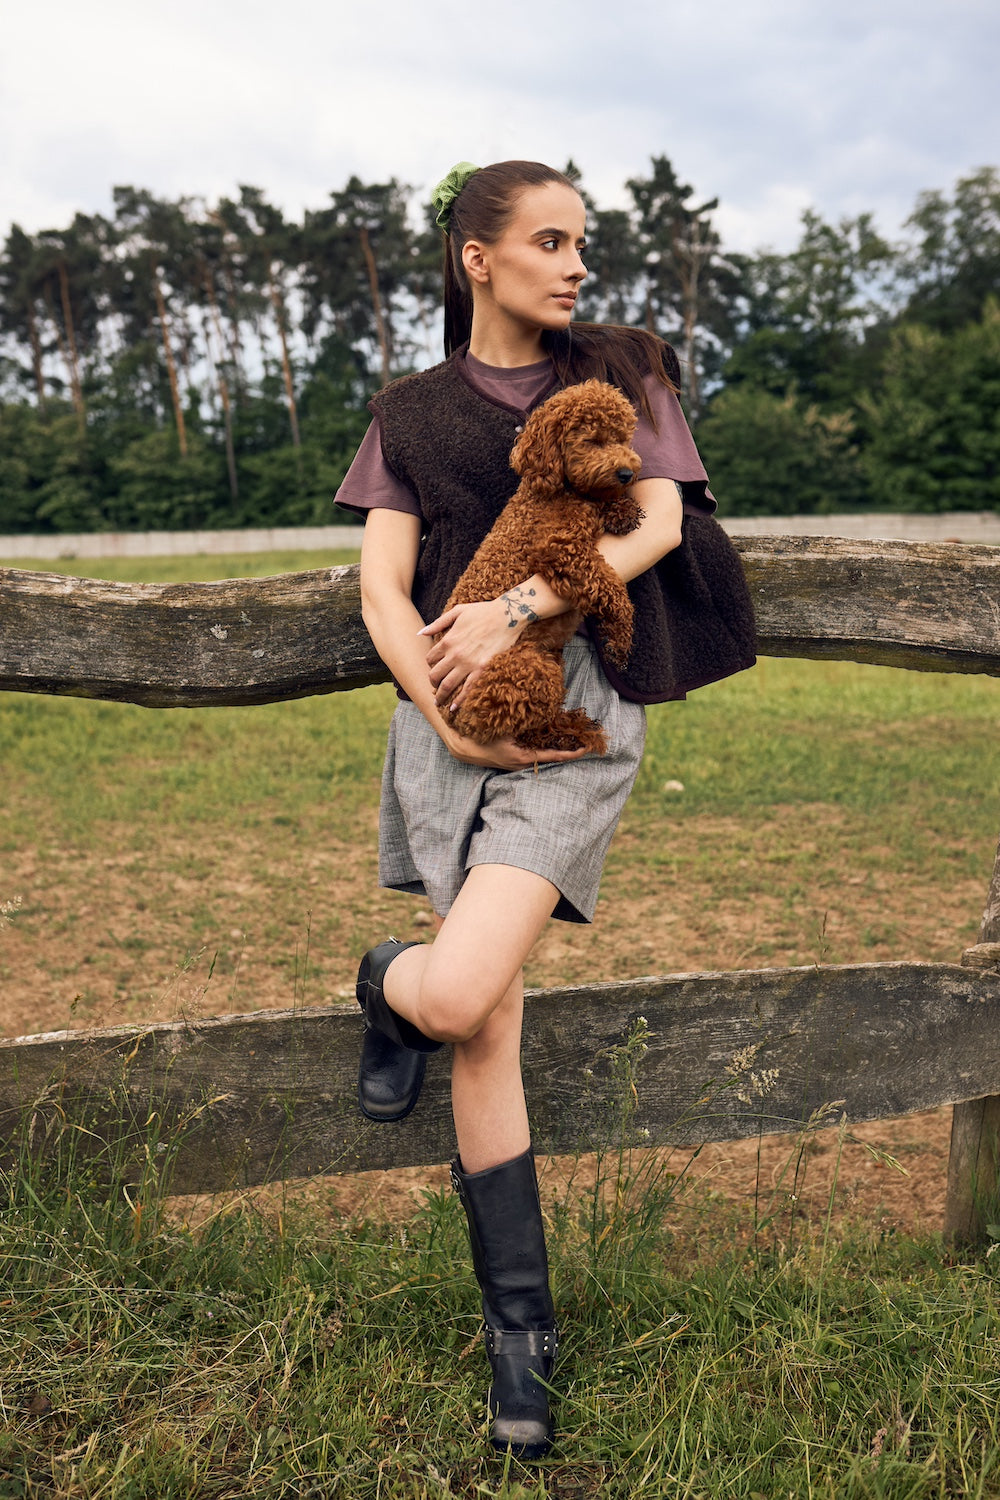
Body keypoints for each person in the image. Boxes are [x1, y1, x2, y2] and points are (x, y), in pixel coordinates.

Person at [335, 159, 748, 1460]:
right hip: (447, 714)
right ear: (479, 257)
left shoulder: (625, 369)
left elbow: (660, 524)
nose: (576, 264)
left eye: (583, 242)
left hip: (577, 713)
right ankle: (523, 1332)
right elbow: (384, 590)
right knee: (488, 1021)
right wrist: (448, 714)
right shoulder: (409, 413)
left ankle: (385, 983)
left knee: (454, 996)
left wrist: (522, 602)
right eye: (551, 241)